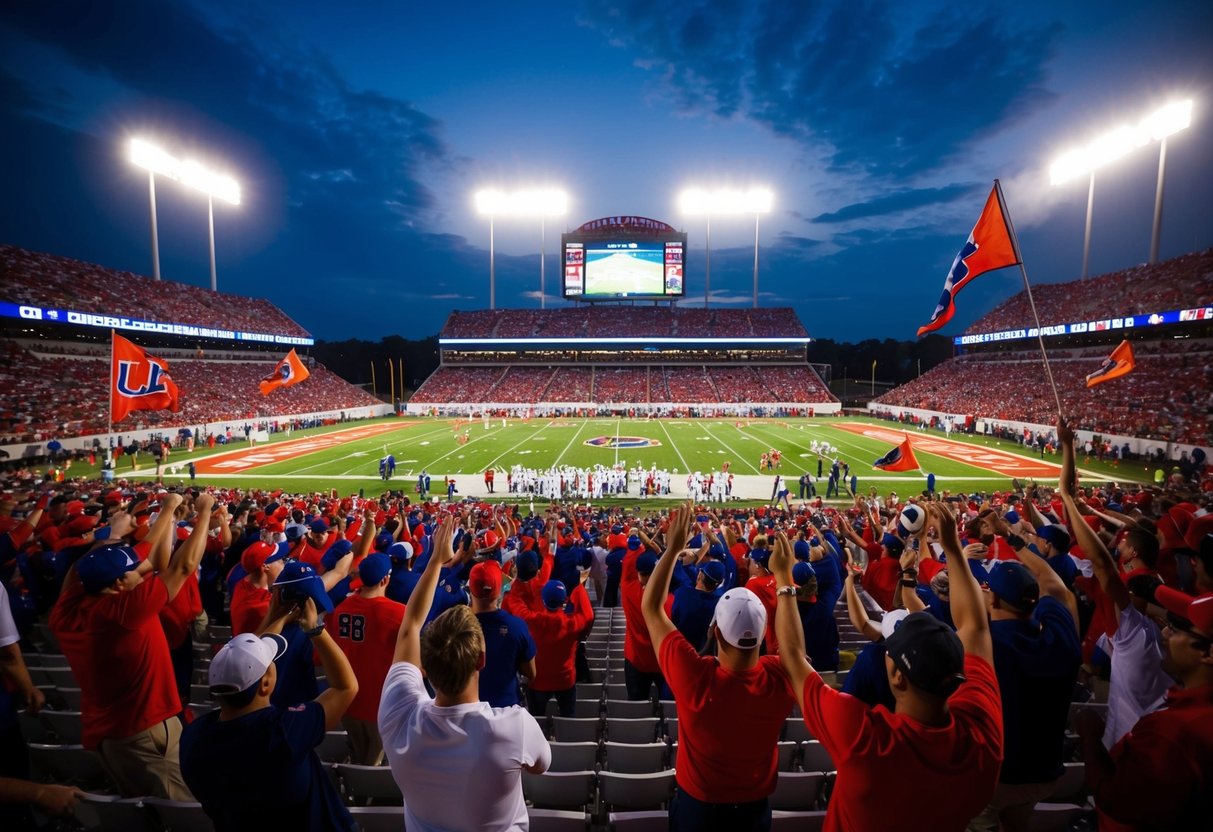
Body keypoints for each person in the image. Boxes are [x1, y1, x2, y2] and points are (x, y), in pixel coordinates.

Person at [774, 502, 1004, 832]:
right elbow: (976, 627)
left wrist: (783, 578)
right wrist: (953, 548)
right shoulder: (982, 737)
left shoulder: (864, 739)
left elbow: (794, 659)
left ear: (897, 675)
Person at [379, 516, 552, 831]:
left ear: (425, 670)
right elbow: (541, 766)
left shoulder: (398, 716)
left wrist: (436, 563)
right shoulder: (514, 727)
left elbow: (409, 628)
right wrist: (438, 561)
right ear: (481, 660)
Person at [642, 503, 795, 831]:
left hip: (700, 807)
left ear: (715, 632)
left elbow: (651, 608)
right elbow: (795, 650)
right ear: (764, 635)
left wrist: (671, 550)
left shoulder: (695, 676)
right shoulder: (781, 675)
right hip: (754, 810)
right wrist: (784, 579)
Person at [49, 492, 210, 800]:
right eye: (135, 570)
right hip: (146, 734)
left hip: (108, 737)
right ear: (119, 584)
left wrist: (166, 512)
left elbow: (79, 571)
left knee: (139, 810)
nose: (144, 568)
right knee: (182, 812)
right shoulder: (125, 613)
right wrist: (203, 512)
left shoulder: (67, 610)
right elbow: (183, 566)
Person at [180, 602, 359, 831]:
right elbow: (346, 687)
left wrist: (278, 617)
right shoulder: (285, 732)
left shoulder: (193, 739)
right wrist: (315, 628)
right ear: (265, 684)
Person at [969, 512, 1082, 832]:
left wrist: (1007, 536)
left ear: (991, 597)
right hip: (1044, 771)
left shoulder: (988, 646)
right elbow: (1053, 586)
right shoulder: (1061, 640)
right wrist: (1015, 539)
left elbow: (1049, 585)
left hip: (998, 774)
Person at [1075, 586, 1213, 830]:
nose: (1165, 633)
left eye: (1177, 628)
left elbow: (1115, 800)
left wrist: (1090, 738)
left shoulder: (1173, 732)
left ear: (1208, 653)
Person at [325, 553, 405, 765]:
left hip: (347, 701)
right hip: (379, 703)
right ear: (385, 580)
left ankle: (354, 788)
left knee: (359, 752)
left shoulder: (340, 609)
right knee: (373, 761)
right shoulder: (399, 613)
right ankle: (361, 794)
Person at [516, 579, 594, 718]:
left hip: (538, 682)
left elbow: (517, 607)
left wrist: (520, 585)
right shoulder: (573, 623)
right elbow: (588, 615)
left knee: (536, 719)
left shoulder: (533, 621)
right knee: (568, 717)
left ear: (543, 600)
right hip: (565, 680)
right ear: (564, 600)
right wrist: (579, 587)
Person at [470, 559, 536, 709]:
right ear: (499, 589)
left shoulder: (456, 626)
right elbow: (531, 674)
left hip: (467, 713)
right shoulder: (517, 626)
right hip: (507, 709)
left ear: (471, 590)